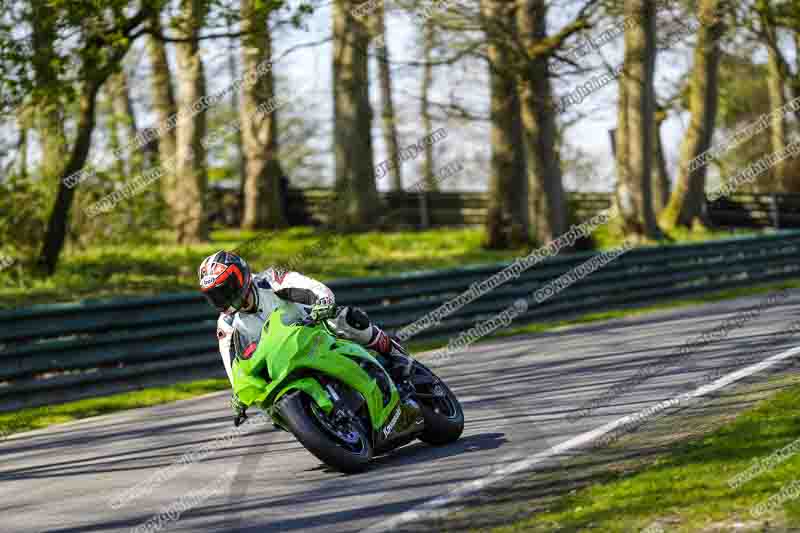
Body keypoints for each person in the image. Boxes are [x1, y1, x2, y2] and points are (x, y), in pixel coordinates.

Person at [198, 250, 413, 426]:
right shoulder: (226, 325)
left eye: (226, 289)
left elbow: (310, 287)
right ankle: (312, 420)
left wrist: (323, 301)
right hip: (281, 363)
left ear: (241, 276)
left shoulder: (269, 281)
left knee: (345, 319)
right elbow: (232, 365)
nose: (224, 297)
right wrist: (238, 393)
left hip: (315, 330)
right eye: (216, 295)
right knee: (264, 401)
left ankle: (393, 352)